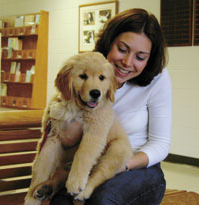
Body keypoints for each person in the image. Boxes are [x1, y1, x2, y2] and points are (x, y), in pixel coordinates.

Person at [50, 8, 172, 205]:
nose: (127, 62)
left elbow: (161, 144)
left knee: (102, 200)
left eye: (140, 57)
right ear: (109, 41)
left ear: (149, 59)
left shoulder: (158, 79)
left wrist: (121, 166)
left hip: (136, 167)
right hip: (88, 162)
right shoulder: (88, 69)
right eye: (122, 49)